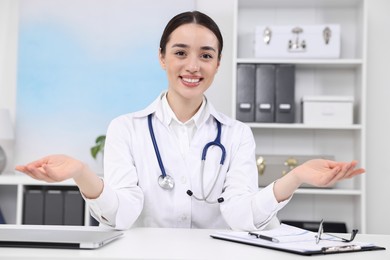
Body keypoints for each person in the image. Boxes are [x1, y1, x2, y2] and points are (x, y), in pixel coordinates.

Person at [16, 11, 365, 231]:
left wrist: (296, 177)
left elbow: (243, 217)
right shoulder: (126, 129)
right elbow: (120, 215)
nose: (193, 66)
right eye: (181, 53)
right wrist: (82, 173)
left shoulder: (236, 135)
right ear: (162, 57)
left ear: (218, 62)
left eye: (206, 55)